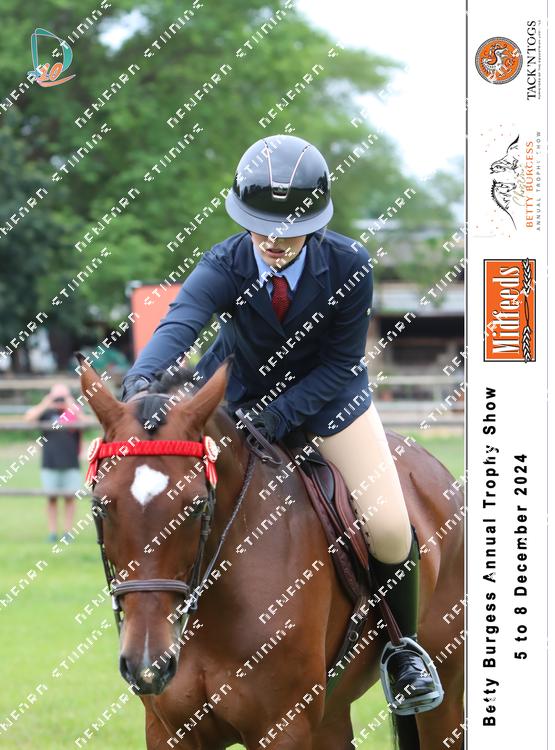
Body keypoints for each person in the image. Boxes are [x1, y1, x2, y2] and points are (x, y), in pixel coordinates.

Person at [121, 134, 442, 711]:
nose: (271, 240)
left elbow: (339, 365)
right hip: (236, 401)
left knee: (391, 525)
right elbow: (179, 325)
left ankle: (403, 650)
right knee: (168, 500)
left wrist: (275, 416)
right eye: (259, 226)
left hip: (329, 404)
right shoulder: (224, 263)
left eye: (288, 230)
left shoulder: (349, 264)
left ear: (314, 224)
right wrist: (140, 383)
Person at [24, 384, 81, 543]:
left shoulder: (73, 412)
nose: (59, 400)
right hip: (49, 463)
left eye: (62, 397)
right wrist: (46, 402)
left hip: (71, 462)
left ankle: (68, 532)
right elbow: (28, 418)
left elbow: (87, 421)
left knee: (70, 498)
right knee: (51, 499)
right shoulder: (46, 412)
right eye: (57, 397)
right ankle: (52, 533)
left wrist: (70, 404)